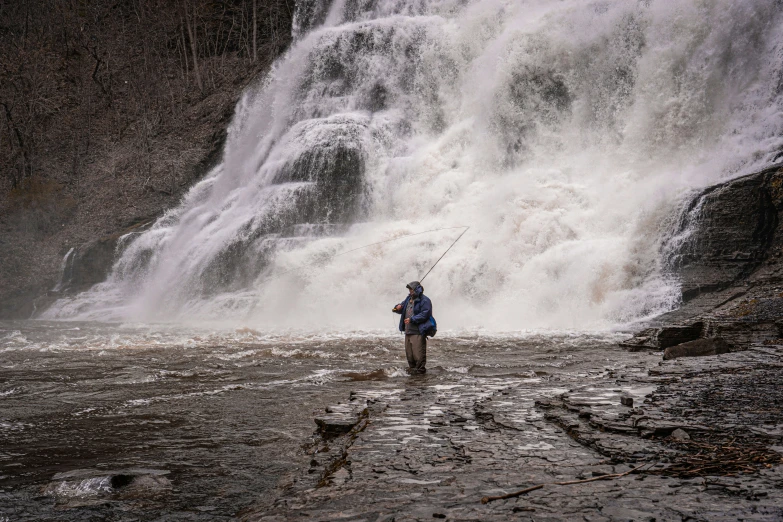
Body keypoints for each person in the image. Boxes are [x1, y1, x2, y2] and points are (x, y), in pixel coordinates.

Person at [392, 281, 434, 374]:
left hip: (418, 332)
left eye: (411, 289)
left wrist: (412, 319)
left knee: (419, 357)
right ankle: (414, 380)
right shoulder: (408, 299)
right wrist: (396, 308)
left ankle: (421, 381)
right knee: (410, 357)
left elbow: (425, 314)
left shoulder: (425, 300)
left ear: (417, 290)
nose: (410, 291)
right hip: (408, 332)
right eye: (409, 289)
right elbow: (402, 308)